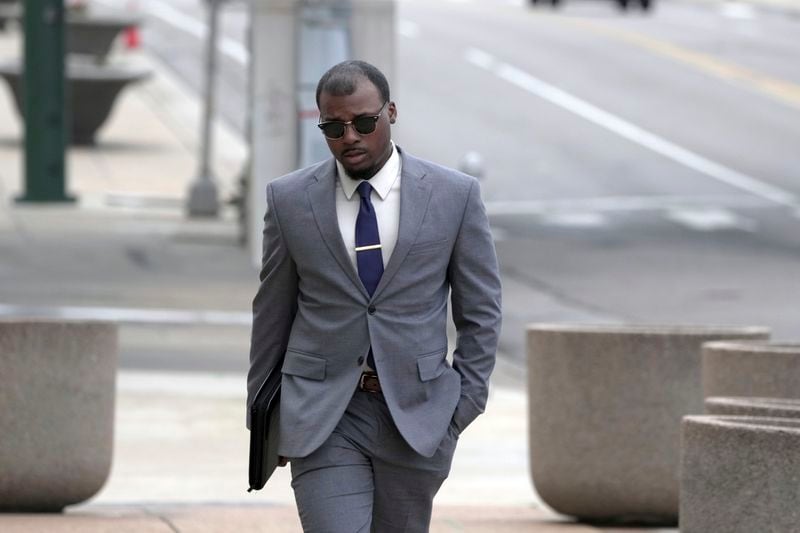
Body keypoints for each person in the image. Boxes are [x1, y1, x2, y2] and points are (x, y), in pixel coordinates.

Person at [247, 59, 502, 532]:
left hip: (417, 418)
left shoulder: (454, 196)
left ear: (391, 113)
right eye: (334, 126)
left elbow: (481, 312)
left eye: (364, 123)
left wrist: (460, 408)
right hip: (325, 415)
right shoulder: (289, 200)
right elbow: (272, 314)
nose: (350, 137)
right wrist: (264, 420)